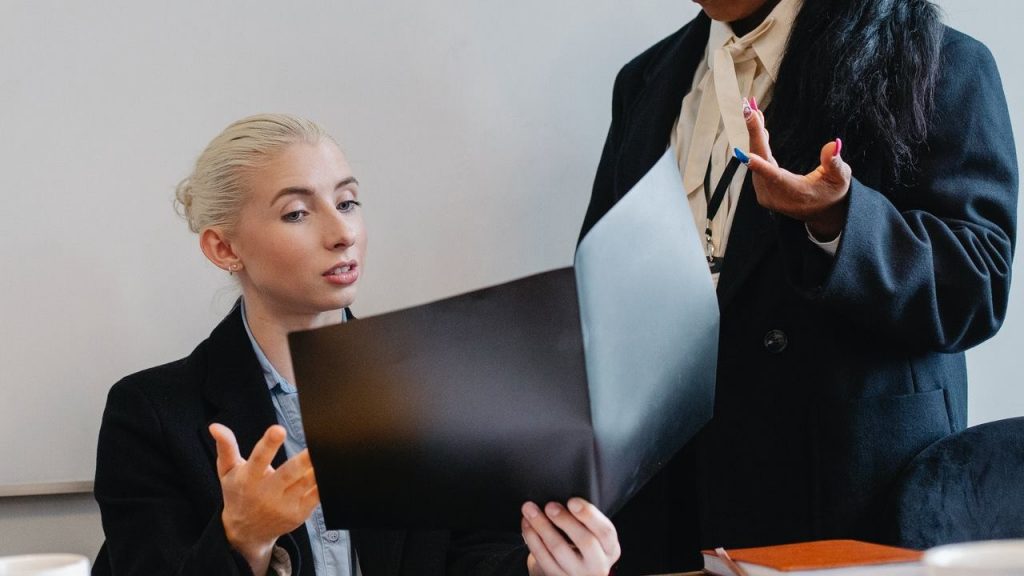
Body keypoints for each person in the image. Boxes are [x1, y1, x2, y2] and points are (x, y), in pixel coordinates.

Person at [580, 0, 1017, 572]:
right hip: (665, 498)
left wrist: (839, 221)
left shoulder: (941, 61)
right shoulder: (644, 80)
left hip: (843, 500)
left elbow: (977, 285)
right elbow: (597, 285)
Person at [92, 114, 620, 576]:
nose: (342, 232)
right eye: (297, 213)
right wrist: (245, 540)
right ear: (224, 247)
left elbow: (474, 555)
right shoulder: (150, 414)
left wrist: (541, 568)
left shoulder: (436, 385)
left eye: (347, 202)